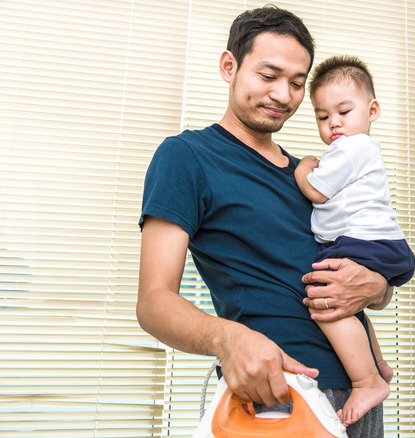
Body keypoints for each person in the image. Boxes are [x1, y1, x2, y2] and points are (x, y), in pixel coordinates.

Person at [135, 6, 391, 437]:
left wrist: (378, 287)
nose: (283, 95)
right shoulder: (188, 157)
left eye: (296, 83)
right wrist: (227, 339)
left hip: (360, 395)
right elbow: (153, 302)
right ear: (228, 66)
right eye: (268, 76)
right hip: (278, 393)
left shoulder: (313, 178)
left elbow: (359, 267)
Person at [294, 56, 415, 426]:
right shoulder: (356, 149)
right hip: (379, 243)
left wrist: (303, 167)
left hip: (364, 241)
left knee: (328, 302)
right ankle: (377, 365)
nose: (334, 124)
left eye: (344, 111)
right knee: (352, 306)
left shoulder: (353, 147)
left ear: (372, 109)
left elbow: (316, 191)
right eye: (322, 116)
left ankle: (366, 382)